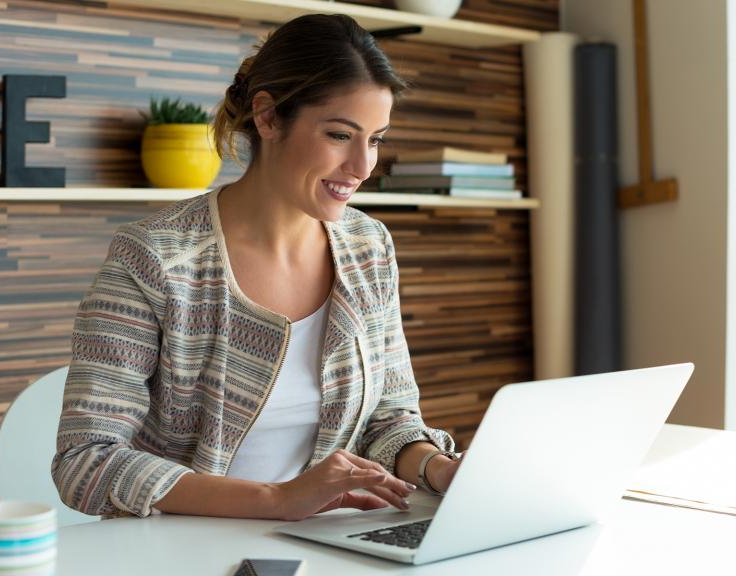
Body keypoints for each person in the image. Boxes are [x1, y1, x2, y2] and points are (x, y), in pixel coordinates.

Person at [52, 14, 463, 522]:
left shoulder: (367, 247)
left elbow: (389, 421)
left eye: (375, 139)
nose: (362, 166)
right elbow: (86, 460)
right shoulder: (155, 257)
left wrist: (438, 469)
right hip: (181, 550)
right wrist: (278, 501)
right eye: (340, 135)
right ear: (267, 117)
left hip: (327, 544)